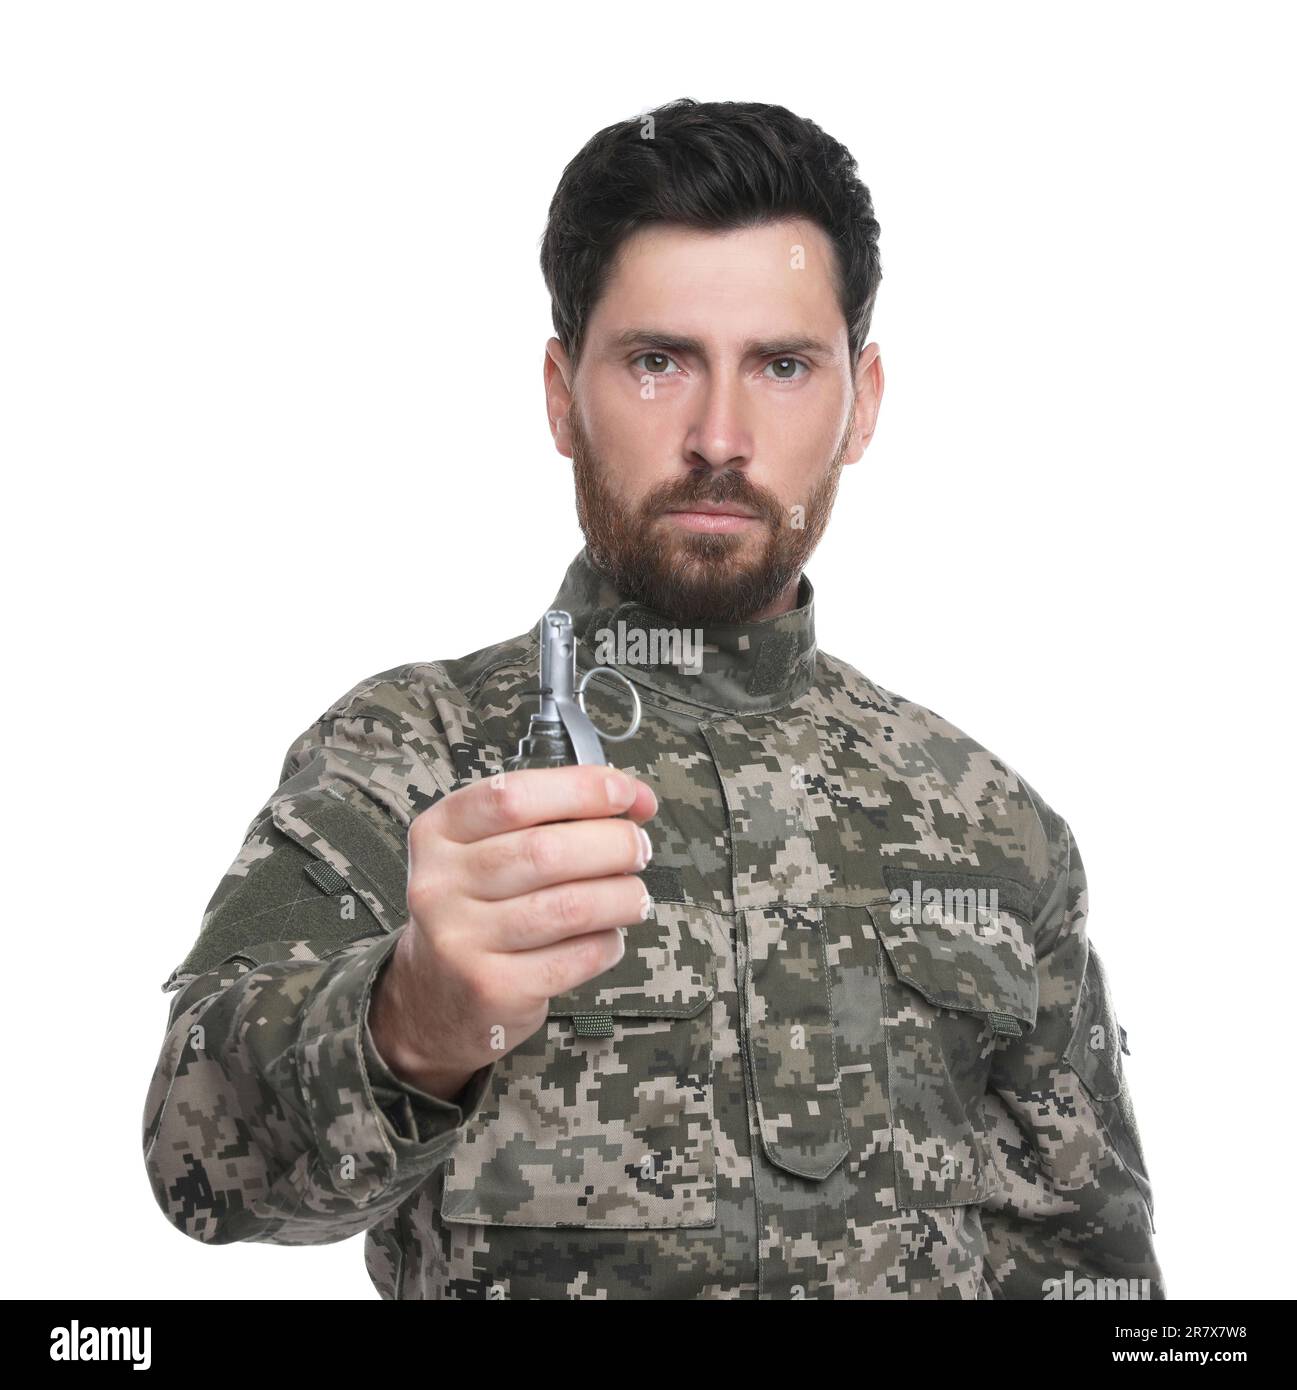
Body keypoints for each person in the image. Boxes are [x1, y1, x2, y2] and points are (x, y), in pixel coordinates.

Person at [142, 97, 1164, 1300]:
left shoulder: (998, 826)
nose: (718, 435)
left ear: (863, 399)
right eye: (657, 360)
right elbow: (192, 1157)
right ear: (562, 395)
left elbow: (1092, 1272)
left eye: (782, 366)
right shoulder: (405, 752)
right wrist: (408, 1018)